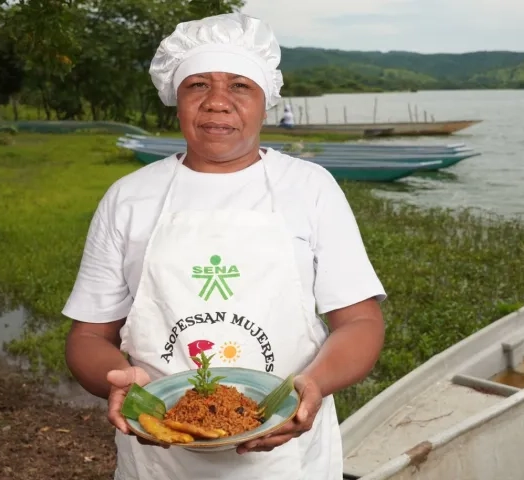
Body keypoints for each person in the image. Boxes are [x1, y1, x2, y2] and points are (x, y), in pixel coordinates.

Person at [61, 11, 386, 480]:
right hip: (160, 454)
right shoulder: (129, 197)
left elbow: (359, 321)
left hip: (287, 459)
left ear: (264, 100)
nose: (217, 102)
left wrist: (312, 385)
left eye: (238, 85)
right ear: (175, 98)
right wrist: (123, 386)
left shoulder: (310, 188)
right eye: (198, 85)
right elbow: (89, 337)